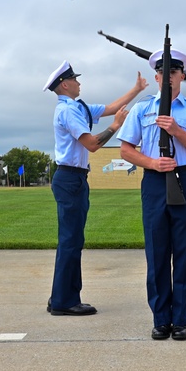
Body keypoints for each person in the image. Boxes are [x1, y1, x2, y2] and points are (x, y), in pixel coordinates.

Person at [118, 48, 186, 341]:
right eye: (163, 73)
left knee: (183, 252)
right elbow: (126, 149)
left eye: (173, 73)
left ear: (181, 76)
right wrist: (151, 162)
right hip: (154, 182)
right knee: (157, 252)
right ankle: (161, 319)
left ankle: (181, 319)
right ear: (156, 76)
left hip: (184, 179)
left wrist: (177, 131)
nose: (167, 78)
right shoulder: (140, 110)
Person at [44, 62, 148, 316]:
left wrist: (136, 89)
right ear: (65, 84)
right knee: (71, 241)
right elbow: (92, 144)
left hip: (74, 178)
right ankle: (64, 302)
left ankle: (61, 296)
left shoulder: (77, 107)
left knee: (72, 240)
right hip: (70, 179)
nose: (80, 83)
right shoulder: (68, 112)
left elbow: (111, 108)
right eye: (75, 80)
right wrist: (116, 126)